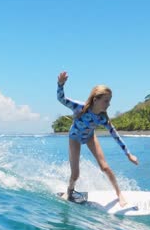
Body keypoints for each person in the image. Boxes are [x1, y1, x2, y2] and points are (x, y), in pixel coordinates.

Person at [57, 71, 139, 206]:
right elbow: (62, 99)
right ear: (96, 99)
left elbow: (115, 135)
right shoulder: (80, 107)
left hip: (90, 137)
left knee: (105, 167)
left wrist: (129, 155)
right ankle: (70, 191)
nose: (109, 104)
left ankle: (119, 194)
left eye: (110, 101)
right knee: (75, 174)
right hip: (75, 138)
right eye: (106, 101)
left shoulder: (102, 118)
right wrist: (60, 84)